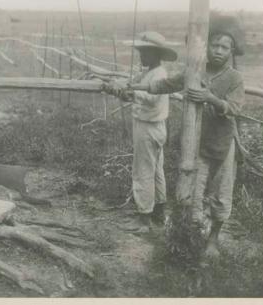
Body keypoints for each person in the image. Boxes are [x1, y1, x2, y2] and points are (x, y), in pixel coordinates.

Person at [125, 23, 245, 257]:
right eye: (215, 45)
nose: (219, 51)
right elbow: (166, 84)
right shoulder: (195, 70)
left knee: (222, 192)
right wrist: (137, 86)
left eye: (225, 47)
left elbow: (235, 108)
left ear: (231, 52)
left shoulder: (234, 78)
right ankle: (189, 238)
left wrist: (210, 98)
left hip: (223, 141)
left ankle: (213, 240)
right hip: (197, 141)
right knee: (193, 193)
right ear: (207, 47)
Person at [104, 31, 178, 233]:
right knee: (155, 169)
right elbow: (133, 88)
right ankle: (158, 212)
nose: (141, 56)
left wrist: (131, 92)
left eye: (145, 52)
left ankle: (144, 218)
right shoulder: (147, 73)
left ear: (156, 54)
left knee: (143, 170)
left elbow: (151, 97)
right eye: (140, 51)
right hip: (150, 126)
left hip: (149, 127)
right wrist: (119, 88)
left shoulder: (159, 74)